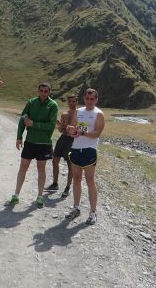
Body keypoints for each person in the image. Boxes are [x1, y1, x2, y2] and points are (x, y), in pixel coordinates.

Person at [9, 83, 58, 207]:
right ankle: (16, 195)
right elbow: (23, 119)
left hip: (44, 143)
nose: (43, 93)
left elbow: (51, 126)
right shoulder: (31, 102)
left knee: (41, 169)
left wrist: (34, 124)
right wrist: (19, 137)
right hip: (30, 141)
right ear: (38, 91)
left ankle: (40, 196)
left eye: (46, 91)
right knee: (23, 167)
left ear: (49, 92)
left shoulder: (53, 105)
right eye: (41, 90)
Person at [64, 88, 105, 225]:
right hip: (76, 148)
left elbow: (97, 134)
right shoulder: (79, 111)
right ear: (84, 99)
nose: (89, 101)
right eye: (87, 99)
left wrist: (81, 133)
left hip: (89, 149)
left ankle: (93, 212)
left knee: (89, 180)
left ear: (96, 100)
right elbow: (73, 128)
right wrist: (71, 131)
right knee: (76, 178)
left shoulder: (99, 114)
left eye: (92, 99)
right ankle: (76, 208)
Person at [45, 94, 78, 198]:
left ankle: (67, 187)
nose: (71, 103)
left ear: (76, 102)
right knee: (55, 160)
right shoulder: (64, 114)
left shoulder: (80, 114)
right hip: (63, 138)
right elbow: (60, 130)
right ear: (67, 102)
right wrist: (60, 125)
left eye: (73, 101)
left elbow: (83, 129)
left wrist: (73, 128)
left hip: (73, 140)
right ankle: (55, 184)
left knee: (70, 165)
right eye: (70, 101)